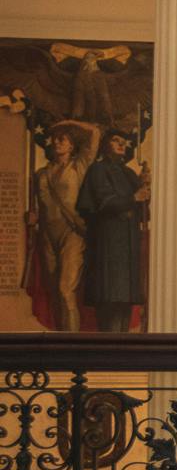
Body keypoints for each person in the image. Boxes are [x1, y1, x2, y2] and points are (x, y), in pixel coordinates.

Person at [75, 128, 146, 332]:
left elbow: (143, 210)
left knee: (125, 297)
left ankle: (122, 346)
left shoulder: (129, 173)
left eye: (124, 141)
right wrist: (134, 198)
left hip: (128, 240)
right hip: (108, 240)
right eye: (116, 140)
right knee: (110, 295)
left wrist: (146, 189)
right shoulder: (98, 170)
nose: (122, 144)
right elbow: (103, 202)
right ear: (105, 144)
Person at [29, 127, 87, 331]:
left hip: (71, 234)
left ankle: (73, 346)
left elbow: (95, 134)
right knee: (54, 291)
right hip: (47, 235)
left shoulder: (78, 166)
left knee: (65, 290)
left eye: (62, 140)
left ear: (72, 145)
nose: (57, 143)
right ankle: (61, 340)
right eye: (54, 139)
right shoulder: (41, 173)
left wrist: (69, 123)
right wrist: (33, 216)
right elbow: (38, 202)